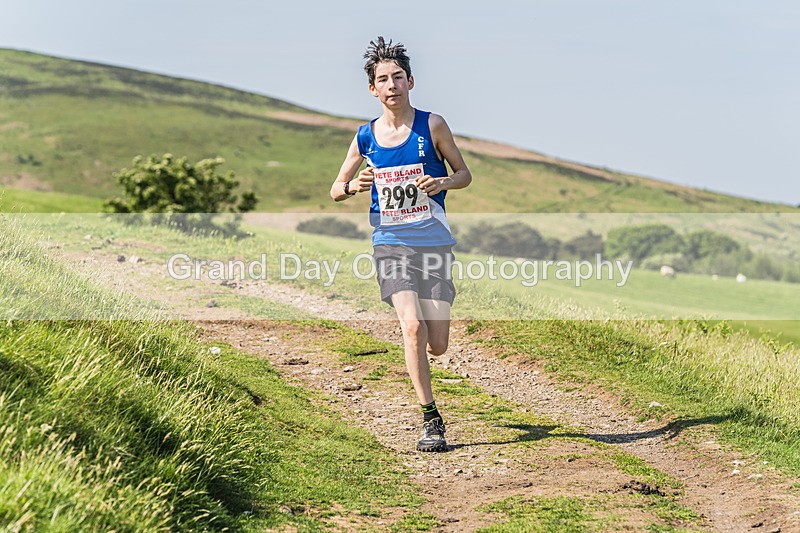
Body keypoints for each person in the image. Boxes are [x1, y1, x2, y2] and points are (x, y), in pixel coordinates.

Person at [329, 36, 472, 452]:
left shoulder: (433, 126)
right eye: (382, 80)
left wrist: (443, 180)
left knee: (438, 343)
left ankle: (429, 357)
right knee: (411, 328)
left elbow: (464, 174)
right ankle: (431, 419)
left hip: (433, 242)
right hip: (390, 240)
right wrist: (355, 185)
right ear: (372, 90)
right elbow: (335, 188)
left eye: (397, 77)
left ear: (410, 81)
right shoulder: (365, 136)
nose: (391, 85)